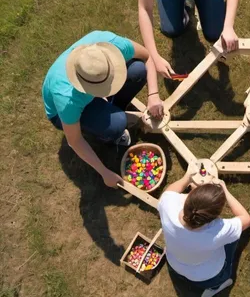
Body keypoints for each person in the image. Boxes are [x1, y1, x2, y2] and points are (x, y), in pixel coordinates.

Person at [42, 31, 164, 187]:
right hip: (60, 114)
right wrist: (104, 172)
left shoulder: (110, 43)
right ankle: (108, 134)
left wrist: (153, 94)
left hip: (83, 95)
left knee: (138, 70)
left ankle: (111, 110)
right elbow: (75, 140)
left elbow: (147, 57)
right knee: (118, 125)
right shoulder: (67, 99)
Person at [158, 175, 250, 297]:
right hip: (206, 277)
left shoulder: (167, 205)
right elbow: (246, 218)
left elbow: (170, 191)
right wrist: (225, 190)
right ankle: (216, 287)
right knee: (233, 239)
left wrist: (188, 177)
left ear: (188, 198)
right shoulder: (217, 231)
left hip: (175, 263)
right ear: (215, 216)